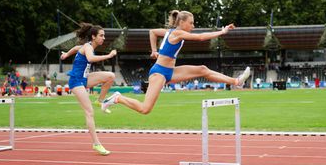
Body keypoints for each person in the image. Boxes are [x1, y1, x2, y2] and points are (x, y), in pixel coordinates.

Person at [101, 10, 250, 115]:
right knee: (145, 109)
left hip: (170, 72)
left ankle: (236, 81)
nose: (193, 26)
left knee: (203, 69)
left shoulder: (169, 33)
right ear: (182, 22)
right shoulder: (177, 33)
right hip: (159, 72)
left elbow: (152, 32)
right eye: (191, 23)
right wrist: (222, 32)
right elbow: (200, 37)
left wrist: (154, 50)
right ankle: (117, 98)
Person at [60, 23, 117, 156]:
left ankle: (100, 101)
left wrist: (66, 55)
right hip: (76, 81)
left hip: (85, 79)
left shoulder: (86, 46)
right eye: (101, 35)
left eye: (104, 35)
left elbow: (75, 48)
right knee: (89, 112)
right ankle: (96, 144)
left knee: (110, 76)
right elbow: (91, 58)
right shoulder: (88, 47)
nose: (104, 38)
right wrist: (108, 56)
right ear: (93, 36)